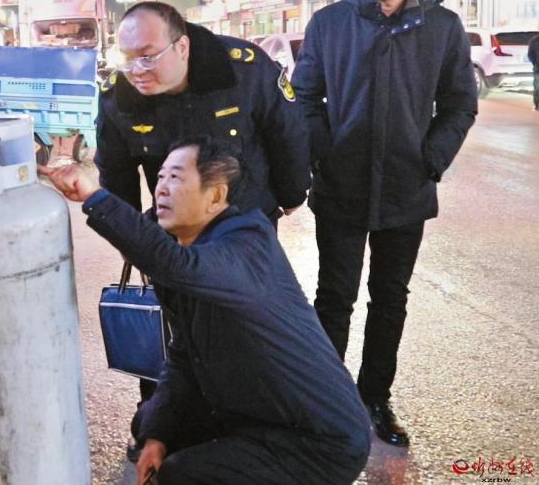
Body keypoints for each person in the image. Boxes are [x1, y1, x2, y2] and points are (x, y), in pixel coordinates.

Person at [42, 137, 371, 485]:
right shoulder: (189, 253)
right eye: (160, 177)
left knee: (184, 475)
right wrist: (157, 436)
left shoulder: (247, 244)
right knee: (150, 422)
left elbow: (172, 263)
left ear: (216, 196)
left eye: (176, 178)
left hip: (320, 442)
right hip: (259, 416)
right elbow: (185, 355)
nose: (161, 189)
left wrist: (94, 197)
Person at [292, 0, 477, 447]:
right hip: (341, 186)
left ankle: (375, 397)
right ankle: (326, 402)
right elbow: (305, 98)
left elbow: (460, 105)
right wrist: (324, 156)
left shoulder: (442, 27)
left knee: (390, 297)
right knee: (334, 297)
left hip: (406, 188)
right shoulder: (330, 23)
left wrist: (430, 159)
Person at [96, 0, 311, 411]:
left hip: (244, 228)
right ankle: (163, 421)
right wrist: (131, 238)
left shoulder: (244, 70)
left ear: (182, 47)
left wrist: (290, 196)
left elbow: (288, 134)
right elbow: (115, 172)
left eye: (147, 56)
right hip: (173, 237)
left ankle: (245, 415)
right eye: (127, 58)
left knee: (246, 326)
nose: (137, 70)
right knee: (174, 335)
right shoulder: (118, 97)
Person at [528, 31, 539, 111]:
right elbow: (530, 54)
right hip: (538, 68)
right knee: (537, 88)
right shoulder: (534, 40)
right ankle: (537, 104)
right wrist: (535, 63)